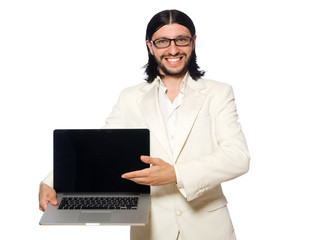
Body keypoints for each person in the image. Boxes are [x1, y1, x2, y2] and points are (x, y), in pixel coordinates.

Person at [39, 9, 250, 240]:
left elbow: (237, 157)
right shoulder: (130, 97)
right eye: (162, 41)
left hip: (208, 228)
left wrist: (175, 174)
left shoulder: (218, 93)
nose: (173, 49)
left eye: (181, 40)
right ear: (150, 46)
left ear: (193, 42)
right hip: (152, 229)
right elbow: (100, 148)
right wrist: (51, 181)